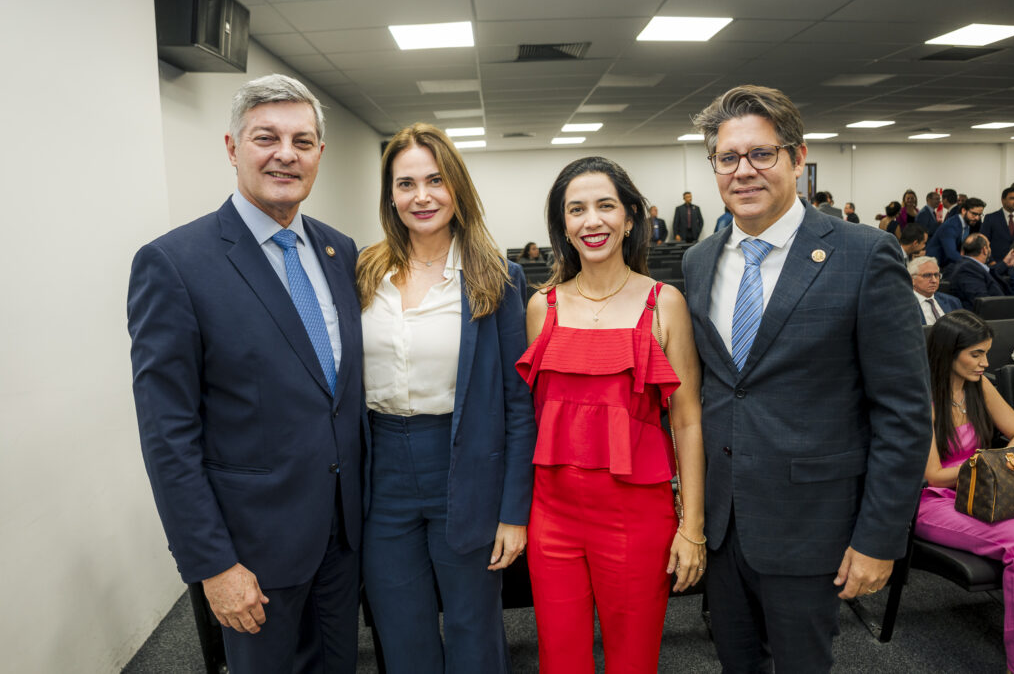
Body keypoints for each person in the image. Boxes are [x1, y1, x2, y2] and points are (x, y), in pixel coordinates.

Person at [684, 84, 932, 672]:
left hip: (814, 527)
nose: (743, 171)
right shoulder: (699, 261)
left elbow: (903, 413)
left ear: (797, 158)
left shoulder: (864, 254)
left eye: (761, 153)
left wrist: (879, 538)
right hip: (724, 526)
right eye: (727, 158)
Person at [127, 74, 364, 671]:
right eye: (266, 138)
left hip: (342, 538)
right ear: (233, 148)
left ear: (319, 154)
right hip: (252, 553)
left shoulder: (340, 251)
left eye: (302, 141)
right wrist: (213, 564)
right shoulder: (175, 264)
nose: (286, 154)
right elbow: (167, 435)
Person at [356, 123, 535, 673]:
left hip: (465, 469)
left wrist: (514, 513)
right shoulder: (362, 272)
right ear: (390, 195)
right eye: (406, 183)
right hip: (382, 473)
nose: (422, 196)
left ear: (457, 186)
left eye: (435, 180)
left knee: (472, 625)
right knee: (399, 626)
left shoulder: (497, 278)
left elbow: (519, 405)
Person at [517, 156, 705, 673]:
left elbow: (687, 421)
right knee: (560, 660)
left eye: (605, 206)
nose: (591, 221)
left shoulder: (664, 304)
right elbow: (531, 419)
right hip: (552, 517)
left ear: (630, 217)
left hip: (636, 518)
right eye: (576, 210)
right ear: (563, 226)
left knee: (633, 660)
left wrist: (693, 526)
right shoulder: (542, 307)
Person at [919, 311, 1014, 674]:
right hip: (934, 500)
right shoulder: (922, 398)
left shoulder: (979, 385)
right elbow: (933, 475)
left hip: (985, 489)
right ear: (949, 352)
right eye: (976, 354)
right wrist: (984, 463)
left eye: (986, 353)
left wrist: (994, 460)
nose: (985, 363)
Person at [948, 233, 1014, 310]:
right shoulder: (967, 269)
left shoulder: (972, 266)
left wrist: (1005, 264)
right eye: (989, 246)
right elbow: (982, 302)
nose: (990, 249)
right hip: (994, 313)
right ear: (984, 250)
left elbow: (990, 272)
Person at [927, 197, 986, 270]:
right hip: (936, 266)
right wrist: (972, 265)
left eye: (979, 215)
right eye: (974, 214)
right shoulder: (950, 226)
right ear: (964, 210)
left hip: (951, 264)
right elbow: (951, 253)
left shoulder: (971, 222)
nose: (977, 218)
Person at [908, 256, 961, 324]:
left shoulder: (952, 302)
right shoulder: (904, 305)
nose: (934, 280)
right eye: (927, 275)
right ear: (912, 279)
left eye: (936, 275)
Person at [981, 186, 1014, 262]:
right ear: (1003, 200)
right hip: (997, 263)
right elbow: (983, 242)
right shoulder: (990, 218)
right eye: (1012, 198)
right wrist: (991, 261)